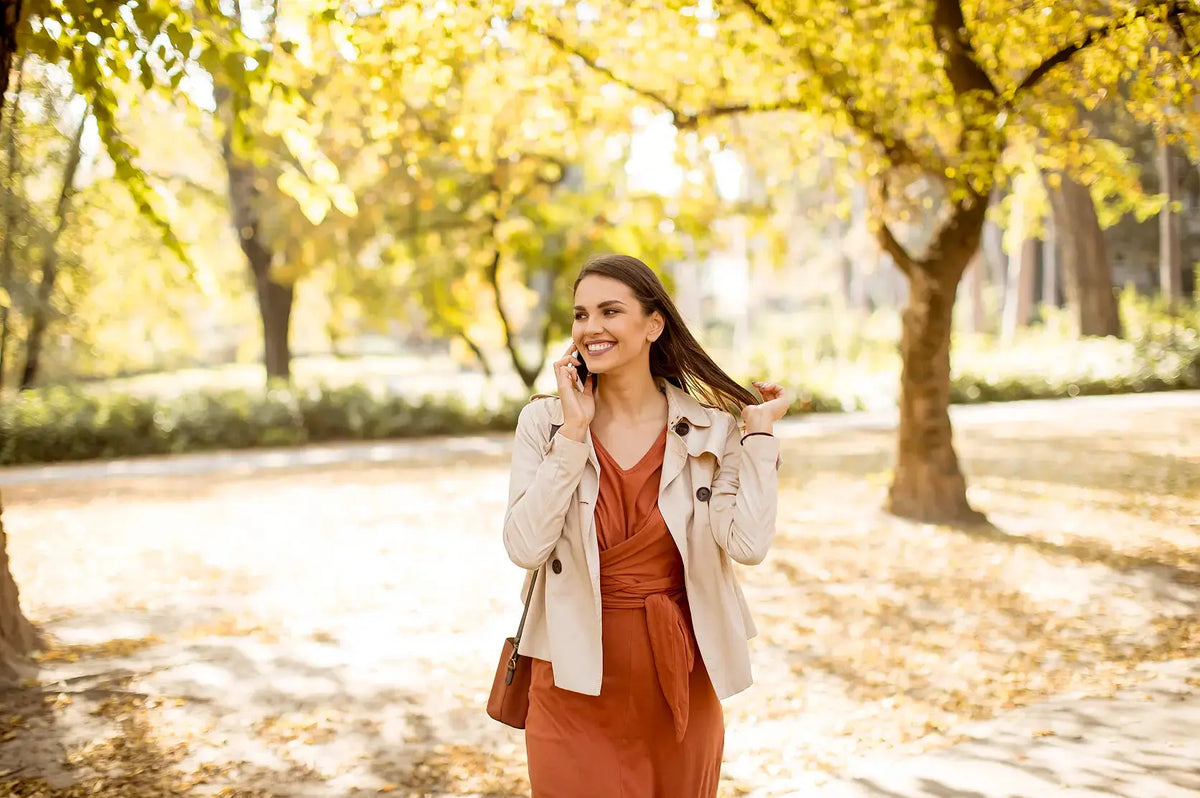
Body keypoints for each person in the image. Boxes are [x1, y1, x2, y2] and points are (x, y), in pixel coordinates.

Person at [502, 253, 789, 797]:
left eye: (610, 311)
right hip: (569, 675)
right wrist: (573, 433)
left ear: (653, 324)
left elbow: (748, 545)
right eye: (581, 314)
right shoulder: (544, 422)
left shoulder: (712, 429)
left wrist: (757, 436)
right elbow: (523, 546)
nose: (591, 328)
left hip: (677, 672)